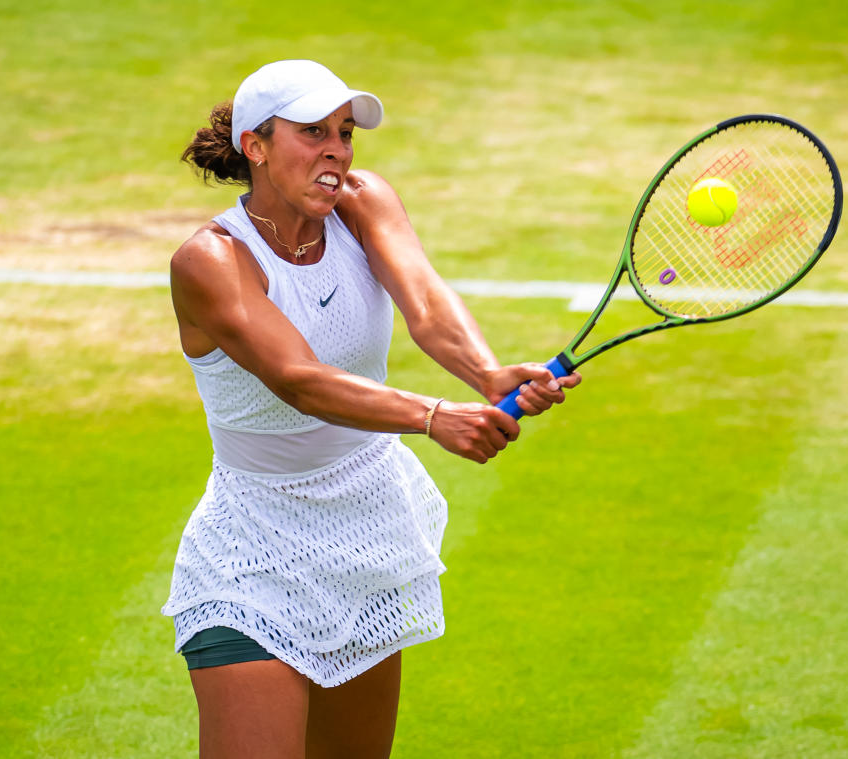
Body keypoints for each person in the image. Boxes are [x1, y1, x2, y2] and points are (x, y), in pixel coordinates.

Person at [161, 59, 580, 759]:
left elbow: (424, 300)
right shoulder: (210, 259)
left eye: (346, 132)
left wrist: (486, 372)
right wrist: (432, 415)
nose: (337, 150)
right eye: (313, 132)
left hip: (367, 533)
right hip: (252, 549)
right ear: (255, 146)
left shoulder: (363, 201)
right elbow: (299, 378)